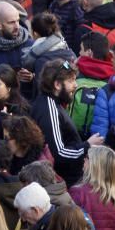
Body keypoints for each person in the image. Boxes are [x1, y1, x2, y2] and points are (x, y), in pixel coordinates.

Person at [30, 58, 103, 187]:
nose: (75, 85)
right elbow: (58, 152)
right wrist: (87, 145)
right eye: (70, 81)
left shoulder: (53, 104)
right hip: (63, 182)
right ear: (57, 85)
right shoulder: (49, 108)